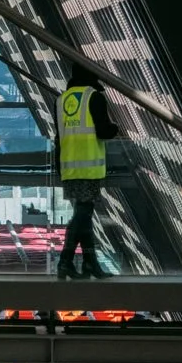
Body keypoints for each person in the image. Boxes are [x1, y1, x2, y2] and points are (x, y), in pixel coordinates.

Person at [56, 83, 119, 278]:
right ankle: (65, 261)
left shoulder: (62, 99)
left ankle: (89, 263)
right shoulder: (93, 97)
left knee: (84, 214)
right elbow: (104, 131)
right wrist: (115, 128)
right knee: (83, 214)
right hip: (88, 167)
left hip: (68, 165)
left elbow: (59, 134)